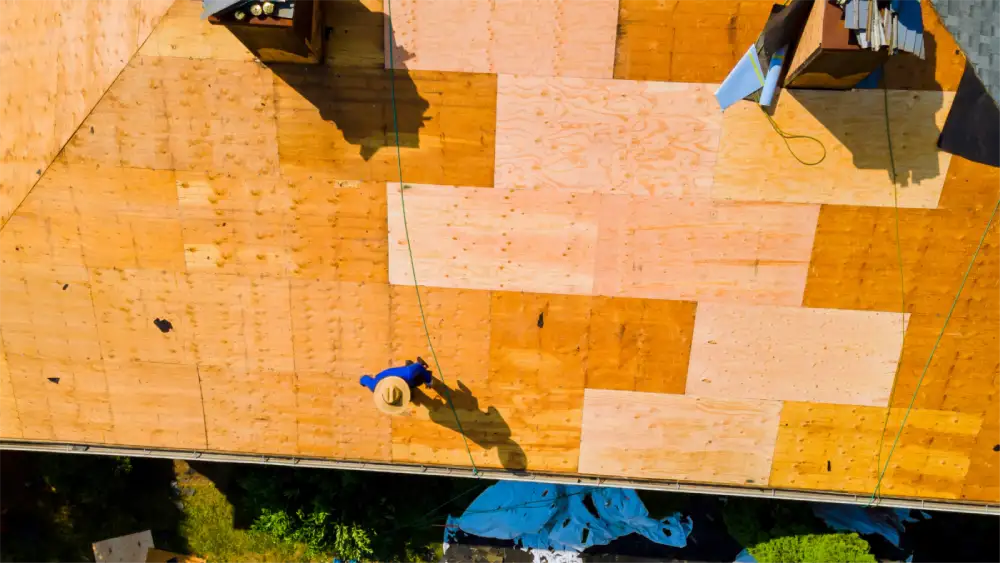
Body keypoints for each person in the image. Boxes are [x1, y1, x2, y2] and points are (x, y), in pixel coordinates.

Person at [359, 358, 433, 414]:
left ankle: (411, 366)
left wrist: (428, 380)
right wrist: (362, 381)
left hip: (407, 373)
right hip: (400, 376)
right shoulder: (374, 386)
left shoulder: (408, 374)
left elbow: (419, 367)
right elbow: (364, 379)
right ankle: (410, 366)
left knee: (417, 379)